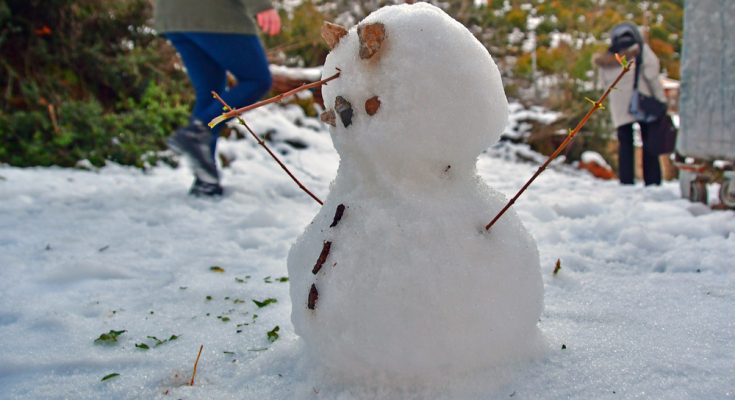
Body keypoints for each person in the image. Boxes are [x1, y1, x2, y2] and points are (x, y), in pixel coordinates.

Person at [154, 0, 281, 196]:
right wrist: (260, 5)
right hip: (213, 12)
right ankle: (198, 132)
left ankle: (206, 181)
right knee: (257, 79)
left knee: (210, 94)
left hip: (172, 15)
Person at [593, 22, 666, 186]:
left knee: (625, 143)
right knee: (649, 142)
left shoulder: (606, 58)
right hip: (643, 102)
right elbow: (652, 77)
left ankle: (626, 181)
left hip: (619, 106)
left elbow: (603, 84)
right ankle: (652, 181)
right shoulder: (641, 51)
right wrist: (661, 100)